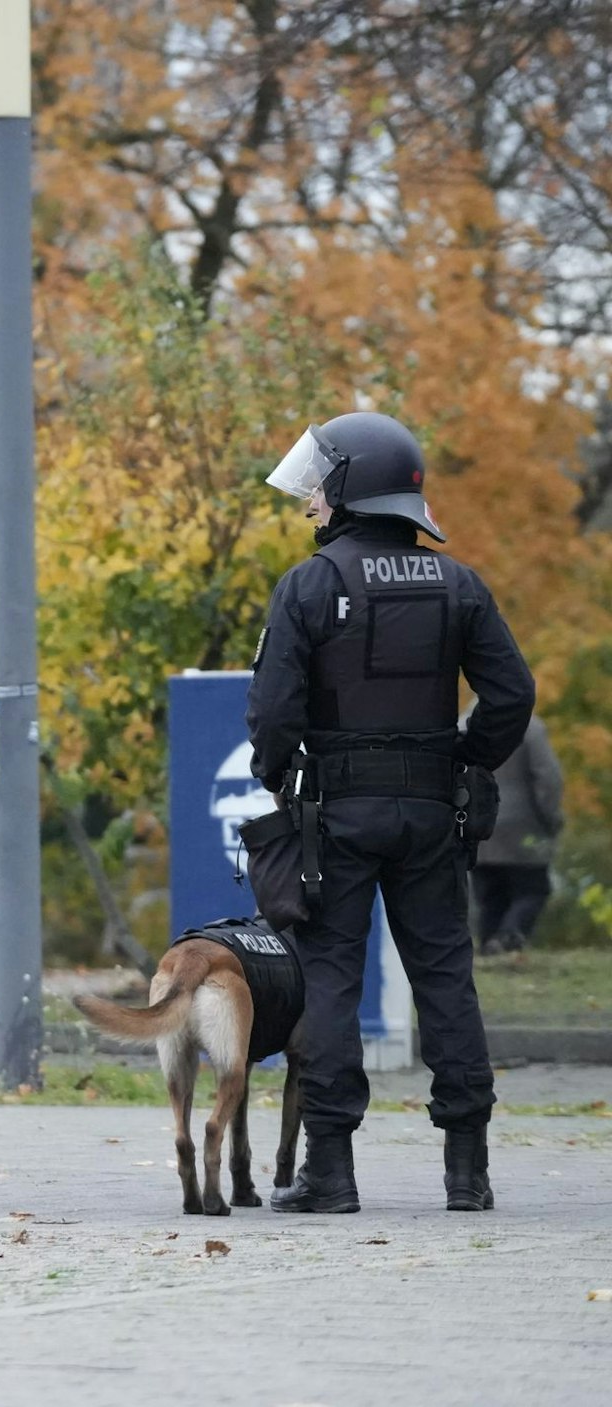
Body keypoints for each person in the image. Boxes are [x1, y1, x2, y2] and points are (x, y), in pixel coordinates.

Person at [247, 411, 534, 1214]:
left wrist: (279, 776)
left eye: (318, 484)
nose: (310, 499)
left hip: (337, 812)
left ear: (350, 487)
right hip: (432, 810)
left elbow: (274, 711)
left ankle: (331, 1172)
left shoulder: (310, 584)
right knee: (444, 973)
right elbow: (513, 694)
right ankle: (468, 1173)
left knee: (331, 974)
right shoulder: (459, 585)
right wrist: (466, 757)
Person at [469, 712, 563, 955]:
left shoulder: (463, 723)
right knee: (533, 889)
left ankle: (489, 947)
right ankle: (508, 939)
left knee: (489, 897)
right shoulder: (528, 726)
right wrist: (551, 818)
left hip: (476, 826)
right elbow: (548, 778)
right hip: (523, 826)